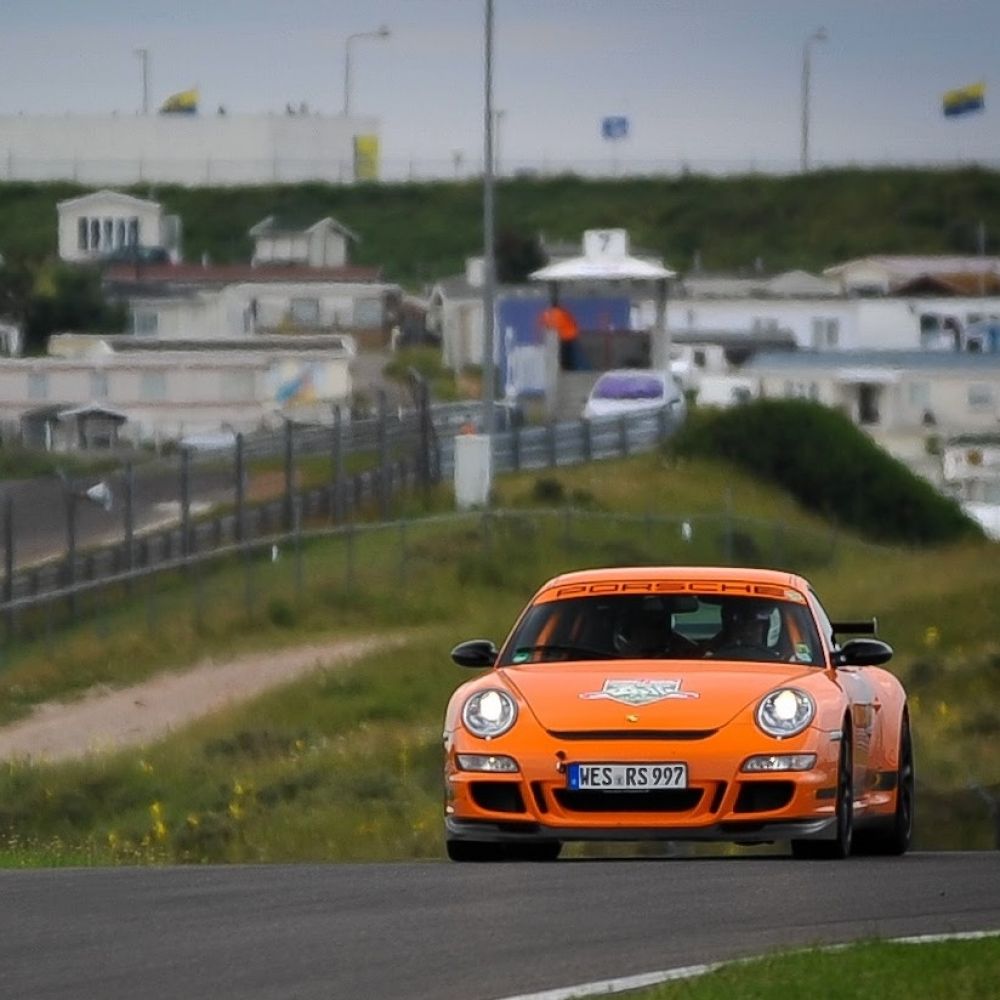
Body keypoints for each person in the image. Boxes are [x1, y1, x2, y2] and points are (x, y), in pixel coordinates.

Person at [706, 600, 781, 659]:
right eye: (755, 625)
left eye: (757, 624)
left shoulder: (711, 658)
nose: (750, 630)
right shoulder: (777, 661)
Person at [540, 301, 582, 371]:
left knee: (564, 353)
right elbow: (572, 322)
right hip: (569, 334)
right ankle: (568, 367)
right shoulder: (563, 312)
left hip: (564, 335)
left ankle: (565, 368)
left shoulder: (550, 314)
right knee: (568, 353)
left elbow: (549, 325)